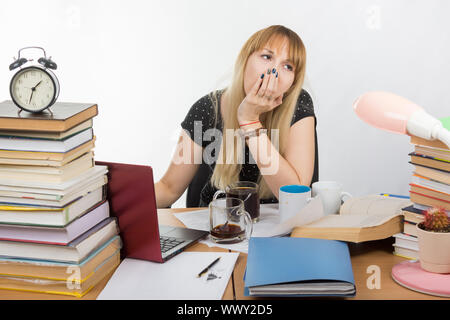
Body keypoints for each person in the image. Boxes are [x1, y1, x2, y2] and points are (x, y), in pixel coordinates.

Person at [155, 25, 318, 208]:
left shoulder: (299, 104)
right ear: (245, 59)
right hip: (216, 226)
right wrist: (120, 201)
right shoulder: (207, 108)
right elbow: (168, 188)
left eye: (288, 66)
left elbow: (293, 194)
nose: (275, 72)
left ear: (293, 81)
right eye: (267, 56)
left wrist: (250, 122)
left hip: (276, 229)